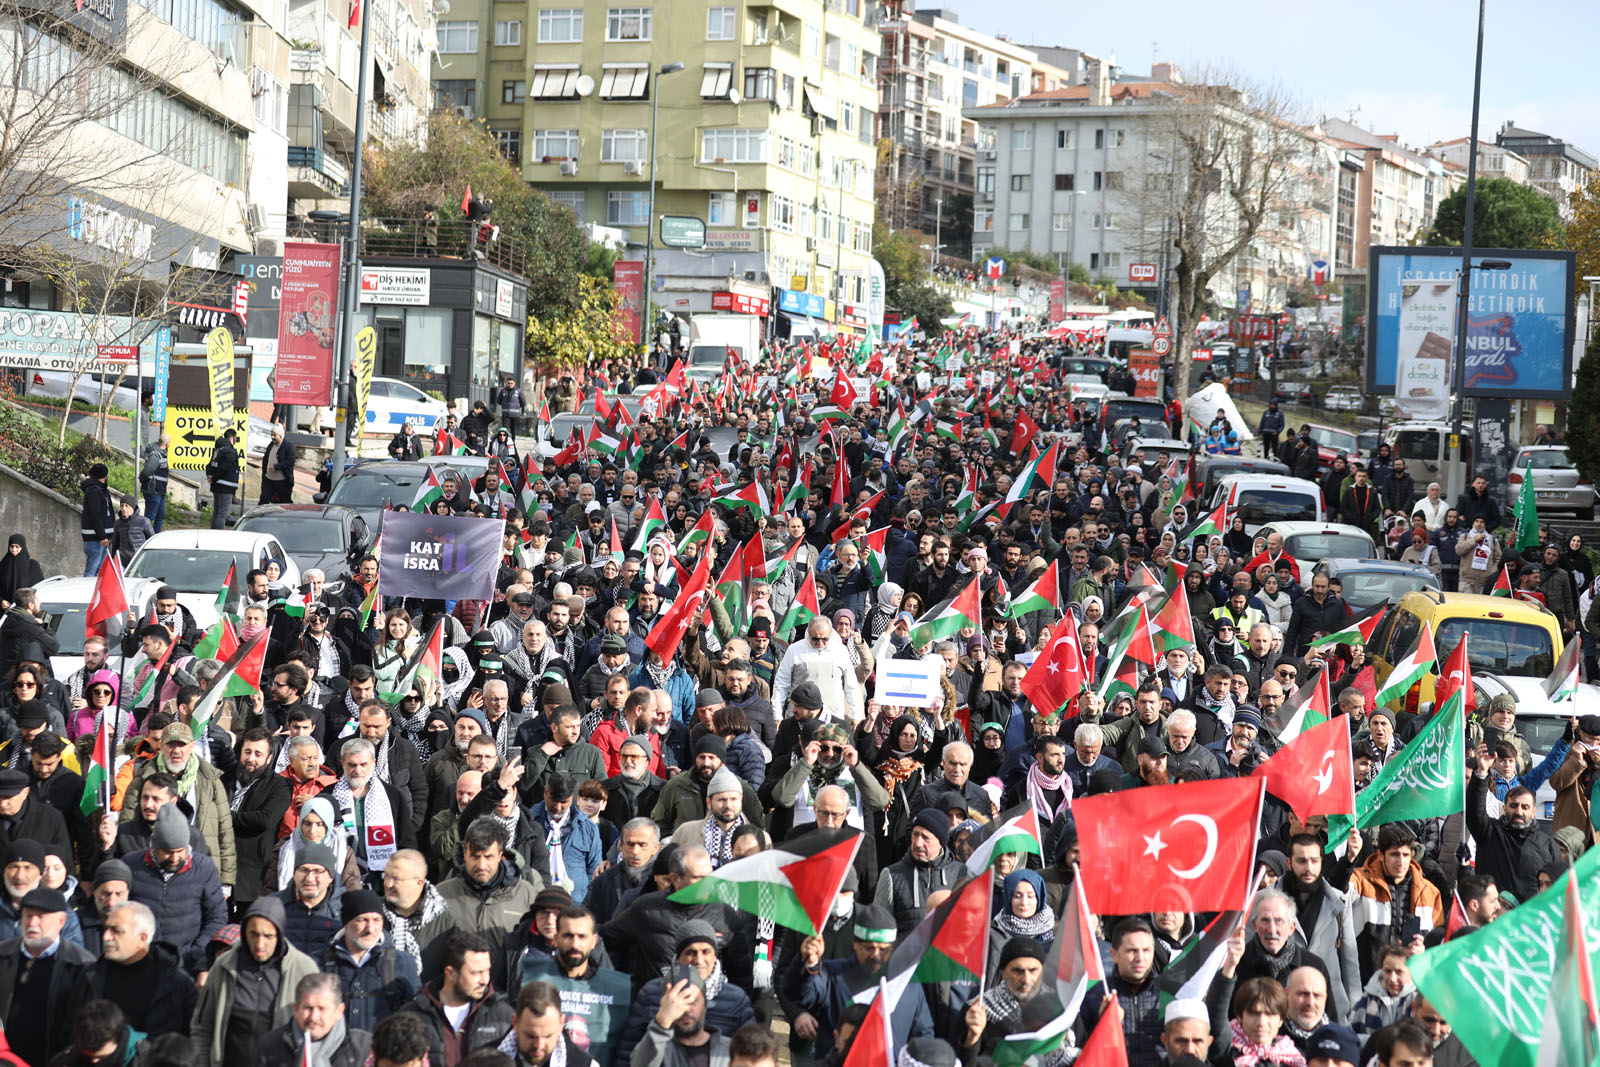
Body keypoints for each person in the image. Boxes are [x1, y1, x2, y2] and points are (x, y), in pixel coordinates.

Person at [194, 895, 322, 1064]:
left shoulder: (304, 969)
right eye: (253, 934)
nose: (260, 944)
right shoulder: (223, 966)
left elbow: (318, 1033)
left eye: (268, 936)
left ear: (280, 934)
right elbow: (203, 1027)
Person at [0, 888, 95, 1067]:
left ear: (61, 921)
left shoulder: (82, 965)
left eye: (41, 916)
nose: (32, 923)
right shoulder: (3, 956)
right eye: (28, 916)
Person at [398, 931, 516, 1066]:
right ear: (450, 973)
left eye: (487, 970)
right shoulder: (411, 1016)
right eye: (476, 972)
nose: (485, 980)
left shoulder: (504, 1015)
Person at [88, 900, 198, 1038]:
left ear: (142, 938)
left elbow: (193, 1038)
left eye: (116, 930)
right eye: (106, 929)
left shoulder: (178, 985)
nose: (106, 937)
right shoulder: (91, 976)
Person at [256, 973, 374, 1067]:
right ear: (296, 1009)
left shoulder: (365, 1048)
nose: (313, 1017)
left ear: (339, 1011)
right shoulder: (271, 1045)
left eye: (322, 1009)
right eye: (308, 1008)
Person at [80, 461, 115, 575]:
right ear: (104, 476)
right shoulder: (94, 491)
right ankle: (88, 592)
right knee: (92, 569)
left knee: (99, 570)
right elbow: (94, 516)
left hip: (100, 538)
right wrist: (102, 536)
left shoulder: (100, 490)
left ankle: (95, 592)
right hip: (96, 539)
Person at [207, 427, 240, 529]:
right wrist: (214, 478)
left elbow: (209, 465)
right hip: (226, 486)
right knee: (222, 514)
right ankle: (219, 537)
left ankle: (213, 534)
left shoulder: (218, 450)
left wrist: (210, 477)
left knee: (216, 512)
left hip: (216, 485)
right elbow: (226, 467)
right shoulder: (230, 451)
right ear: (233, 438)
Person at [111, 496, 154, 565]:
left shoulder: (144, 521)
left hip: (140, 560)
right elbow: (115, 544)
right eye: (122, 506)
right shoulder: (118, 523)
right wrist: (112, 559)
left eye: (126, 506)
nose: (124, 508)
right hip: (122, 561)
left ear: (132, 507)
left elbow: (152, 541)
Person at [261, 423, 297, 504]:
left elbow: (290, 460)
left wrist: (277, 467)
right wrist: (264, 472)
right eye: (271, 435)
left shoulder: (288, 446)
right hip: (269, 479)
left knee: (284, 502)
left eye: (275, 435)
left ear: (280, 436)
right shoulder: (271, 444)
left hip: (282, 481)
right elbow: (266, 458)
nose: (272, 437)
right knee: (264, 500)